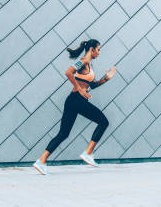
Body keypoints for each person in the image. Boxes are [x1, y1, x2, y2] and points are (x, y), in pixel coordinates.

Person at [33, 39, 116, 175]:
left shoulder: (89, 65)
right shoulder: (83, 61)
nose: (99, 53)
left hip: (74, 101)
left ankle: (41, 161)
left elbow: (92, 85)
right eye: (98, 49)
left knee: (63, 133)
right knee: (103, 122)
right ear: (91, 49)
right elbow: (68, 72)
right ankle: (88, 153)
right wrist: (79, 88)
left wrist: (106, 79)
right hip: (76, 100)